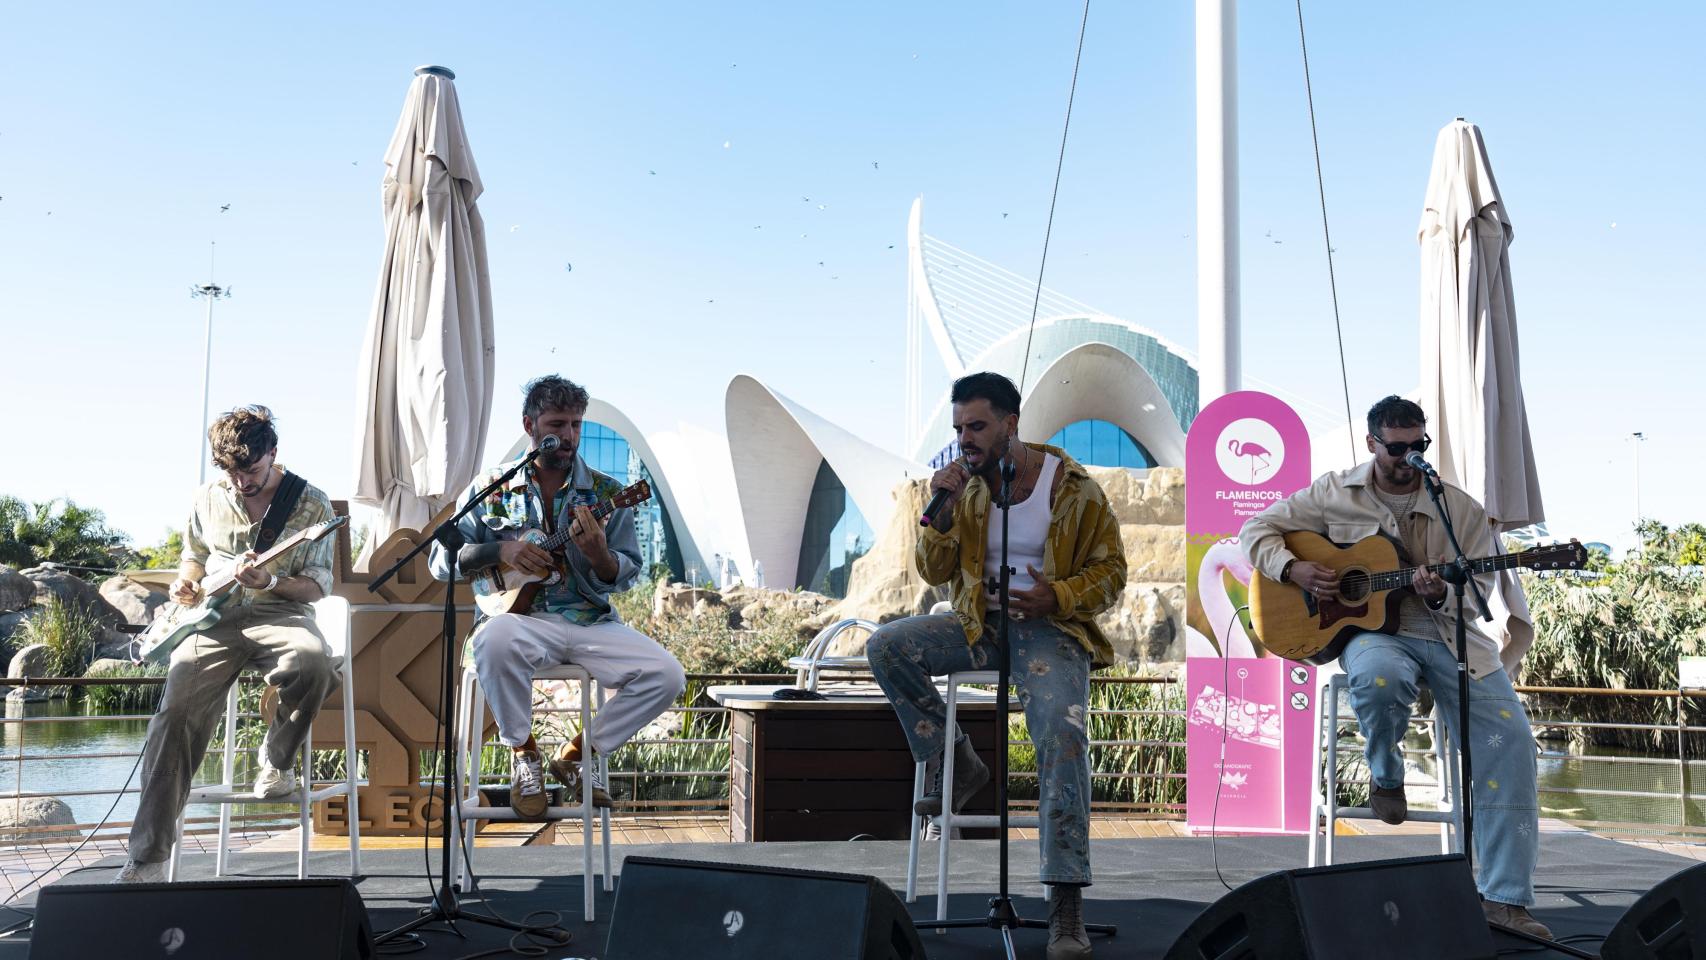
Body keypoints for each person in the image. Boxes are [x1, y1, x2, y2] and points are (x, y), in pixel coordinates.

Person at [1239, 395, 1550, 938]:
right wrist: (1295, 569)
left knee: (1514, 742)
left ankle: (1504, 899)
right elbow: (1255, 531)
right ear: (1372, 443)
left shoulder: (1460, 509)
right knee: (1381, 679)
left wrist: (1437, 596)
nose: (1409, 455)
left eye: (1419, 445)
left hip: (1454, 641)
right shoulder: (1333, 491)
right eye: (1397, 446)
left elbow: (1477, 597)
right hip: (1372, 635)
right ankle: (1387, 776)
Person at [866, 372, 1127, 960]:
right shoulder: (964, 488)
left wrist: (1055, 596)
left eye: (977, 426)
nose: (966, 440)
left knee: (1063, 734)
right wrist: (941, 510)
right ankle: (954, 758)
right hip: (976, 624)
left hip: (1048, 627)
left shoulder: (1074, 489)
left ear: (1012, 423)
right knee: (887, 645)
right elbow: (933, 573)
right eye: (959, 429)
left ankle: (1065, 906)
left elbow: (1113, 575)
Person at [429, 375, 685, 817]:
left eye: (576, 425)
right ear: (530, 425)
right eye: (557, 424)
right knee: (491, 640)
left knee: (666, 675)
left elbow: (625, 573)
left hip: (591, 621)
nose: (568, 436)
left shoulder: (608, 494)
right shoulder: (490, 488)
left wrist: (600, 556)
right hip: (521, 620)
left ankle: (577, 754)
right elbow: (440, 562)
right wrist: (501, 549)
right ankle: (524, 753)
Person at [117, 406, 339, 883]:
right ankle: (148, 859)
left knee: (314, 661)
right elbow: (192, 558)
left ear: (273, 453)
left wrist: (272, 578)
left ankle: (275, 761)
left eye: (252, 471)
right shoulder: (207, 496)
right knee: (173, 717)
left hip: (280, 612)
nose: (242, 482)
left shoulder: (314, 505)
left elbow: (319, 585)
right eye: (233, 472)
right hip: (210, 620)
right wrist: (184, 584)